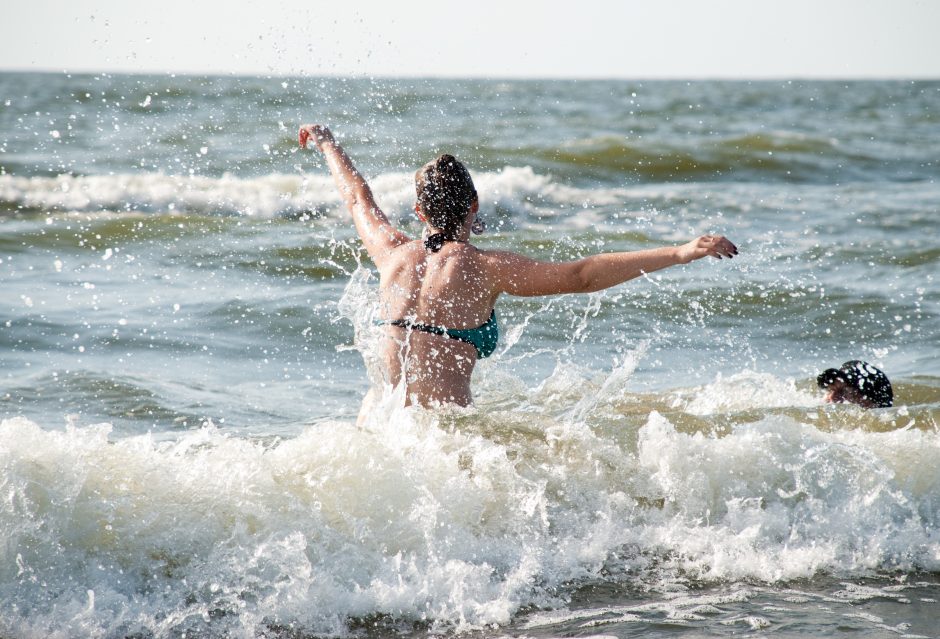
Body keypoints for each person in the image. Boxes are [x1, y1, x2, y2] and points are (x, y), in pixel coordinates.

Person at [299, 124, 739, 408]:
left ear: (418, 211)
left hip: (379, 429)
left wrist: (327, 143)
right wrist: (681, 252)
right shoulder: (487, 267)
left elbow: (357, 197)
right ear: (473, 205)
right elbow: (581, 276)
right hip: (441, 440)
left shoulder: (391, 254)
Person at [817, 360, 893, 408]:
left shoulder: (854, 385)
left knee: (849, 395)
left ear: (837, 380)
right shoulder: (842, 375)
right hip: (873, 380)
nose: (831, 390)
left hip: (882, 395)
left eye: (831, 388)